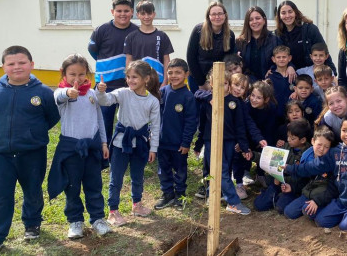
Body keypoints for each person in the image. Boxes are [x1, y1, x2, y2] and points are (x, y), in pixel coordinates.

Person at [0, 46, 60, 255]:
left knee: (32, 190)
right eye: (11, 63)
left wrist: (33, 134)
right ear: (3, 66)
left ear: (31, 65)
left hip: (32, 153)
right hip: (0, 154)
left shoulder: (42, 93)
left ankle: (32, 224)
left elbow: (51, 117)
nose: (17, 67)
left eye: (22, 63)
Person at [284, 115, 347, 234]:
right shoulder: (334, 152)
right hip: (341, 200)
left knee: (346, 227)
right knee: (321, 221)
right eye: (344, 130)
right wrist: (290, 168)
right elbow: (313, 166)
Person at [47, 54, 111, 239]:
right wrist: (68, 93)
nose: (77, 78)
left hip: (91, 147)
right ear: (63, 74)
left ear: (87, 74)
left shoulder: (91, 94)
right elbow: (59, 97)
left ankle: (98, 219)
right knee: (72, 186)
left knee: (94, 185)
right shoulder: (62, 93)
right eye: (72, 74)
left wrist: (103, 142)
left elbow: (99, 120)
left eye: (81, 74)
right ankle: (75, 221)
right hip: (71, 149)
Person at [96, 61, 161, 226]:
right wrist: (101, 91)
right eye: (128, 77)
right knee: (116, 177)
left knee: (137, 176)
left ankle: (137, 204)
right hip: (120, 143)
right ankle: (113, 211)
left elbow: (155, 126)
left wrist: (153, 148)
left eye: (135, 77)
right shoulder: (123, 93)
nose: (130, 80)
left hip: (140, 143)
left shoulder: (152, 101)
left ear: (146, 79)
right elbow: (106, 101)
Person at [194, 70, 251, 215]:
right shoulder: (207, 100)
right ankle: (233, 202)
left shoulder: (234, 102)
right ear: (211, 84)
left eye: (224, 84)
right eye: (217, 84)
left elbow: (240, 127)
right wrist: (199, 144)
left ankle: (215, 195)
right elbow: (202, 124)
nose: (221, 87)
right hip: (211, 141)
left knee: (225, 170)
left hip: (229, 142)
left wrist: (244, 147)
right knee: (221, 171)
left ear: (229, 85)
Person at [88, 0, 139, 144]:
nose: (122, 14)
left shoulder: (137, 31)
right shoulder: (102, 30)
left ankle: (126, 148)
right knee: (105, 121)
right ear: (112, 12)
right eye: (119, 11)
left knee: (128, 120)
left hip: (129, 84)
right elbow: (93, 51)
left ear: (132, 12)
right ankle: (105, 151)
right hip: (106, 84)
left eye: (126, 11)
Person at [155, 59, 198, 210]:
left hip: (179, 144)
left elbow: (191, 122)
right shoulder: (163, 92)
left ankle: (180, 195)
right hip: (161, 142)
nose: (174, 76)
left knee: (180, 171)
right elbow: (154, 116)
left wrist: (186, 143)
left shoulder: (188, 97)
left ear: (186, 74)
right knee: (163, 170)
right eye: (170, 72)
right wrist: (153, 136)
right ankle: (167, 194)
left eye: (178, 73)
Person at [253, 119, 312, 214]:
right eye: (288, 136)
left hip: (294, 188)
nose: (288, 140)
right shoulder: (285, 147)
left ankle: (282, 198)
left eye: (292, 138)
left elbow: (304, 178)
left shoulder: (308, 154)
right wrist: (253, 155)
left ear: (303, 140)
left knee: (281, 207)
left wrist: (291, 187)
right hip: (277, 182)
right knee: (258, 205)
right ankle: (273, 194)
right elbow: (270, 159)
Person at [283, 127, 338, 221]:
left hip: (323, 195)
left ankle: (325, 209)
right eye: (319, 145)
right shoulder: (306, 156)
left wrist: (317, 201)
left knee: (307, 210)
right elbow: (304, 179)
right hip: (308, 192)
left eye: (326, 147)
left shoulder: (330, 162)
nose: (322, 149)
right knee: (289, 212)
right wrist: (293, 187)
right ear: (313, 141)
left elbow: (333, 188)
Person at [229, 73, 267, 199]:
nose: (238, 89)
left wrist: (259, 138)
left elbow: (249, 124)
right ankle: (214, 187)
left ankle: (239, 184)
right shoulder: (220, 98)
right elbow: (200, 94)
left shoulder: (242, 105)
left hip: (236, 139)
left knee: (237, 159)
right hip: (220, 138)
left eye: (242, 88)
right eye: (236, 85)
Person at [274, 0, 336, 74]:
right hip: (292, 74)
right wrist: (290, 66)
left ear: (295, 13)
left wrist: (332, 73)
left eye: (290, 12)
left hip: (312, 75)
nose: (287, 16)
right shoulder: (278, 33)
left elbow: (323, 50)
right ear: (279, 16)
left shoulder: (310, 29)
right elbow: (279, 55)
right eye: (283, 13)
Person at [186, 1, 235, 90]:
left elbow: (229, 61)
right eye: (213, 14)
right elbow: (191, 57)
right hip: (197, 78)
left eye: (220, 14)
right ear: (208, 16)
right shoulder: (198, 31)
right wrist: (201, 83)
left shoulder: (230, 35)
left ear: (225, 15)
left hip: (219, 80)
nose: (217, 17)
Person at [123, 0, 174, 85]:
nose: (146, 17)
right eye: (143, 14)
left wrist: (165, 81)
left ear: (154, 14)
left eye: (149, 13)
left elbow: (166, 60)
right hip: (138, 82)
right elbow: (129, 61)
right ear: (137, 15)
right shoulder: (131, 37)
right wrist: (130, 81)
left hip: (158, 81)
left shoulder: (162, 36)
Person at [246, 80, 280, 187]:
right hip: (249, 135)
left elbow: (270, 129)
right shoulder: (246, 106)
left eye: (258, 98)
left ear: (266, 100)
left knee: (270, 147)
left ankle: (262, 174)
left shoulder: (271, 108)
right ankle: (244, 172)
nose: (254, 100)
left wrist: (264, 142)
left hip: (264, 135)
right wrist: (257, 139)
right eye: (252, 95)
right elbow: (247, 126)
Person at [236, 6, 284, 82]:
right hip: (247, 85)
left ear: (264, 20)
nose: (255, 21)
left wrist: (273, 69)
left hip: (270, 83)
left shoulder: (274, 40)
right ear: (247, 23)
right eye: (251, 20)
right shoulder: (240, 42)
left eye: (258, 18)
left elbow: (283, 58)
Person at [266, 45, 294, 113]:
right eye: (278, 57)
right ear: (273, 59)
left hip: (291, 112)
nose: (281, 59)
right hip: (275, 112)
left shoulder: (294, 75)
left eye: (284, 57)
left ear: (289, 58)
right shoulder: (270, 76)